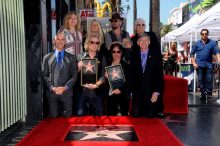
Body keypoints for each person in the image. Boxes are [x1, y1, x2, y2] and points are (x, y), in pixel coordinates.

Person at [42, 32, 78, 118]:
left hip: (67, 94)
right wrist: (52, 88)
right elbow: (44, 76)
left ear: (65, 41)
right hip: (52, 94)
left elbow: (74, 76)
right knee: (53, 119)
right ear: (54, 41)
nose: (60, 41)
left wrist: (65, 87)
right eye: (58, 39)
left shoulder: (72, 57)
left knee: (67, 119)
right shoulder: (47, 57)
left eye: (62, 39)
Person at [130, 33, 164, 118]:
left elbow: (160, 76)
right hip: (138, 93)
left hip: (151, 93)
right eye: (141, 40)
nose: (144, 42)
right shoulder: (133, 55)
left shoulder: (156, 56)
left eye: (146, 40)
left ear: (149, 42)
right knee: (136, 114)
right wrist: (131, 92)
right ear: (138, 42)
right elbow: (131, 75)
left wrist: (156, 92)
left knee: (150, 115)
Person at [76, 34, 107, 116]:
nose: (94, 44)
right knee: (80, 116)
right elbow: (73, 74)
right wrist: (78, 67)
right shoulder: (80, 56)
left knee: (100, 116)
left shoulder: (102, 57)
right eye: (92, 42)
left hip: (96, 92)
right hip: (82, 92)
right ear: (88, 43)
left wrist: (96, 85)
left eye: (97, 43)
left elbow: (104, 75)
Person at [190, 28, 218, 101]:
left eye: (206, 34)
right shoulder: (196, 43)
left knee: (209, 80)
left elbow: (217, 52)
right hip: (199, 65)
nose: (204, 35)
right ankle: (203, 93)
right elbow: (192, 54)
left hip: (209, 65)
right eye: (203, 34)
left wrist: (219, 59)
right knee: (200, 80)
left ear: (208, 34)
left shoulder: (212, 43)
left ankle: (209, 94)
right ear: (201, 35)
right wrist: (194, 63)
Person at [105, 42, 131, 116]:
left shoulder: (126, 66)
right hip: (111, 96)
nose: (116, 54)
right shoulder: (107, 65)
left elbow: (129, 82)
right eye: (114, 51)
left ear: (121, 53)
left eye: (118, 51)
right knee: (111, 117)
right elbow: (105, 83)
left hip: (123, 95)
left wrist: (120, 90)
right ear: (111, 53)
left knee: (124, 118)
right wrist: (106, 77)